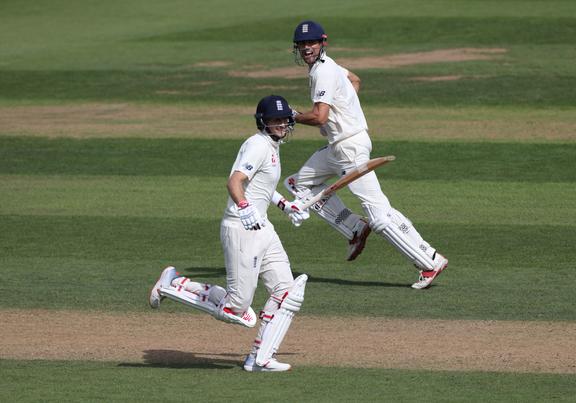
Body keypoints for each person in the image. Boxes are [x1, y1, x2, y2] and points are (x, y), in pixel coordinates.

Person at [149, 95, 310, 372]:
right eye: (274, 120)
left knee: (287, 291)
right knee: (237, 310)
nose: (281, 124)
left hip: (263, 229)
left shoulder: (272, 146)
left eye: (284, 120)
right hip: (241, 228)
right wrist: (245, 207)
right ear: (263, 122)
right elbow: (235, 181)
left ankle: (260, 359)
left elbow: (262, 184)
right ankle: (173, 284)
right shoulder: (257, 145)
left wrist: (285, 205)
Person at [285, 20, 448, 289]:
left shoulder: (322, 72)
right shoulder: (329, 66)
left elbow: (319, 116)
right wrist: (346, 110)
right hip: (339, 147)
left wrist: (292, 117)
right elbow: (355, 80)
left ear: (322, 43)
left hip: (350, 147)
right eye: (301, 44)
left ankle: (429, 261)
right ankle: (354, 228)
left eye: (310, 43)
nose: (306, 48)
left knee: (379, 216)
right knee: (298, 183)